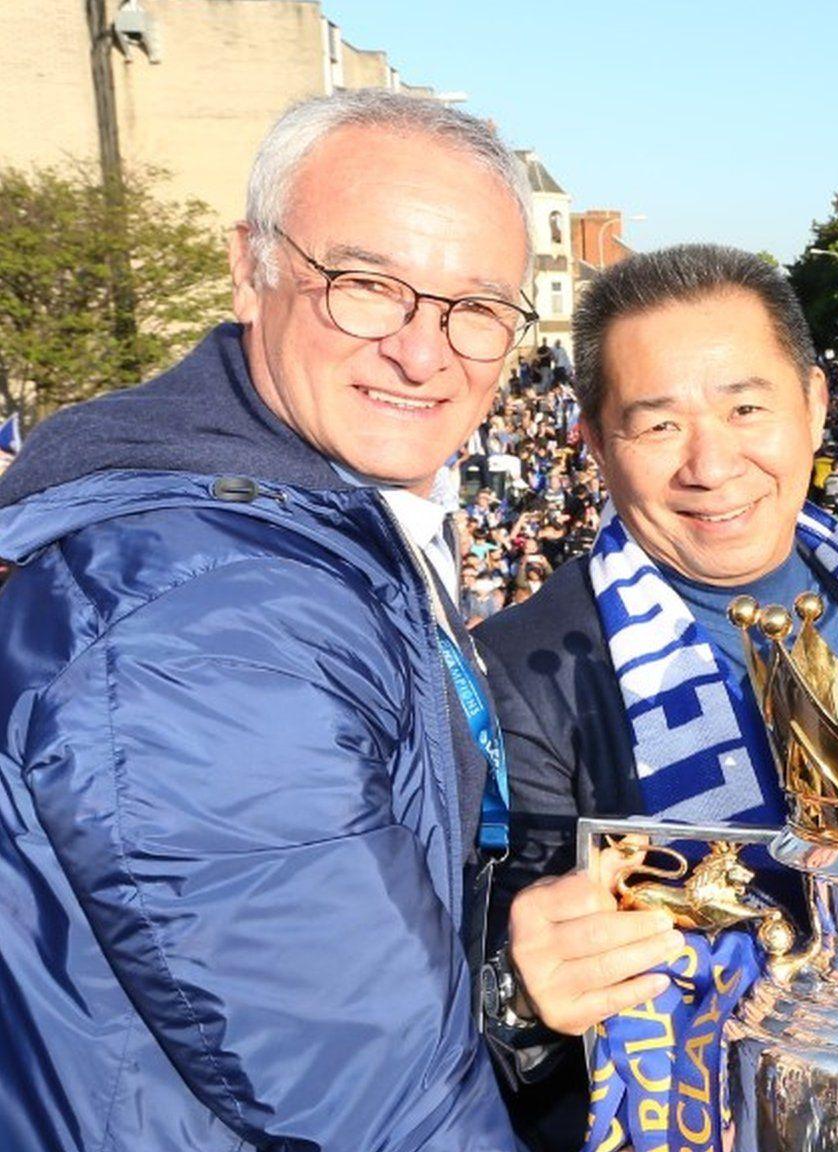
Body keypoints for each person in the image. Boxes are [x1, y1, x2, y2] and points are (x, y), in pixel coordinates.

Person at [0, 90, 530, 1149]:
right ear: (251, 269)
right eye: (367, 287)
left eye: (475, 309)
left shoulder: (298, 518)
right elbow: (378, 1109)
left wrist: (499, 980)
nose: (423, 354)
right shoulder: (206, 621)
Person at [472, 244, 838, 1146]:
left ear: (815, 407)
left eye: (747, 408)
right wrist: (518, 994)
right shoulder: (514, 675)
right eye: (658, 426)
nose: (711, 464)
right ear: (593, 443)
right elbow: (490, 985)